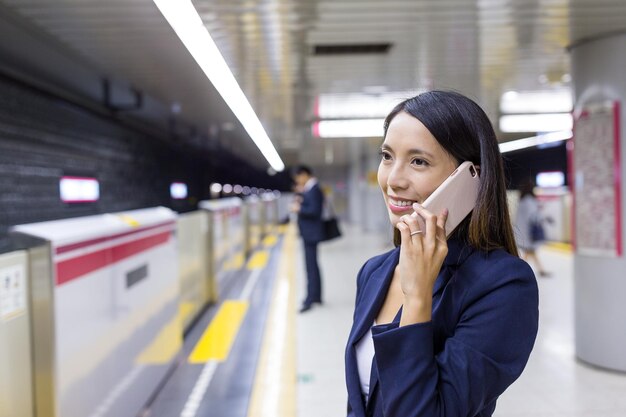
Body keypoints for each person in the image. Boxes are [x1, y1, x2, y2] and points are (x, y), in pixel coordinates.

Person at [344, 91, 539, 417]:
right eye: (388, 156)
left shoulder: (504, 286)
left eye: (418, 161)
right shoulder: (374, 272)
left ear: (469, 178)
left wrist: (417, 296)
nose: (393, 180)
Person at [291, 165, 325, 313]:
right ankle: (316, 296)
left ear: (304, 174)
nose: (298, 180)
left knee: (310, 266)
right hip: (310, 232)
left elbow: (314, 210)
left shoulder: (314, 189)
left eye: (298, 177)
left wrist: (299, 209)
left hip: (311, 233)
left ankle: (310, 298)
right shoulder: (310, 189)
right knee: (313, 265)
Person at [515, 180, 551, 277]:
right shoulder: (529, 200)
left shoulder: (522, 200)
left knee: (531, 252)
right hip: (529, 233)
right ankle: (518, 271)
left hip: (523, 232)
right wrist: (545, 218)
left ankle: (540, 270)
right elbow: (533, 216)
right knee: (529, 252)